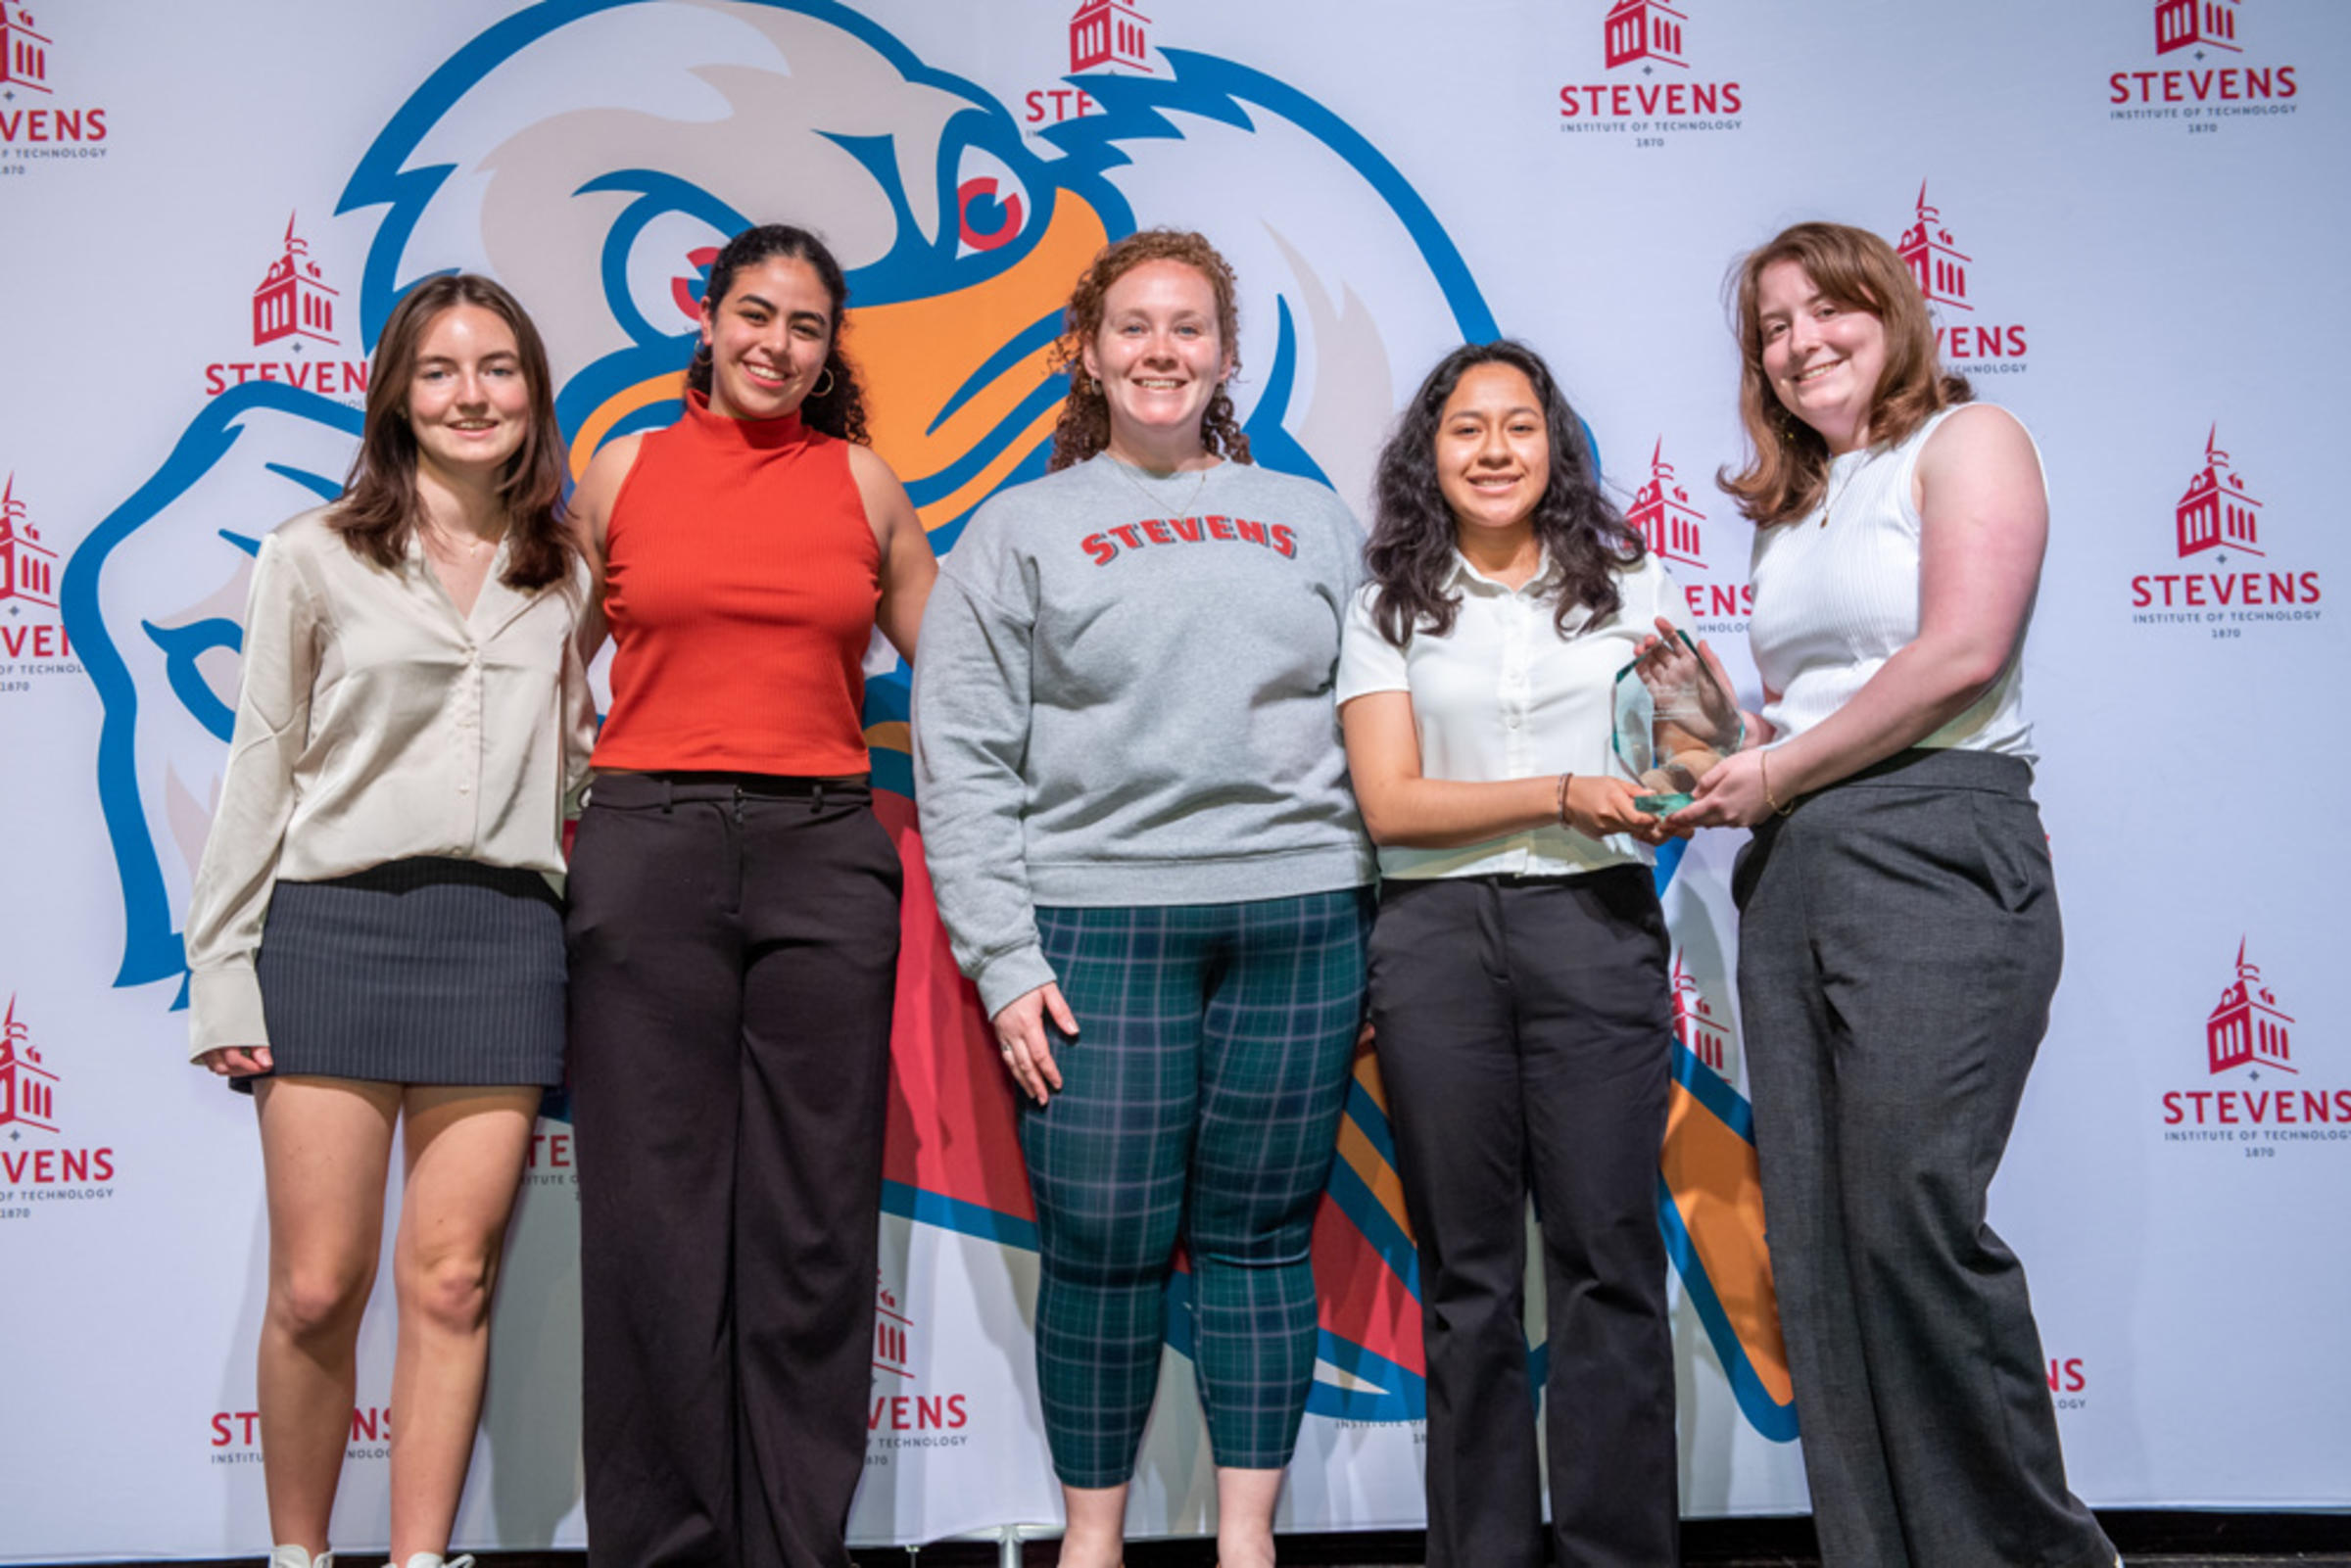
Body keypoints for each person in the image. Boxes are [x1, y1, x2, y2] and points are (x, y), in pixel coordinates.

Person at [912, 229, 1374, 1568]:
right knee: (1104, 1244)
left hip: (1299, 924)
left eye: (1187, 328)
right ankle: (1093, 1547)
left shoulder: (1311, 516)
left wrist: (1381, 941)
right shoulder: (1019, 529)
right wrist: (1001, 957)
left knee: (1258, 1241)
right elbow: (964, 753)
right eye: (1133, 327)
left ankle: (1246, 1546)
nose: (1160, 351)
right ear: (1087, 351)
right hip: (1092, 929)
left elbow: (1381, 729)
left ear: (1227, 354)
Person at [1671, 221, 2118, 1568]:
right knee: (1822, 1242)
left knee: (1914, 1210)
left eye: (1829, 307)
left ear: (1893, 311)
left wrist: (1781, 762)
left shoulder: (1968, 442)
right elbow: (1827, 704)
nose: (1801, 339)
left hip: (1936, 845)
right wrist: (1729, 729)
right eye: (1772, 325)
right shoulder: (1803, 502)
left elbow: (1963, 652)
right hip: (1803, 861)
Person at [184, 273, 595, 1568]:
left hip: (504, 941)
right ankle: (297, 1556)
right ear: (396, 397)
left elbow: (577, 761)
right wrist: (224, 974)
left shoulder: (568, 570)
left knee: (453, 1280)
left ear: (532, 393)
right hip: (332, 933)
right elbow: (260, 766)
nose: (472, 396)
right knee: (316, 1287)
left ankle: (421, 1560)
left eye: (498, 369)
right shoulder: (312, 556)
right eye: (440, 371)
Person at [562, 223, 935, 1568]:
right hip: (646, 841)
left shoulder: (863, 485)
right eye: (756, 315)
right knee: (650, 1220)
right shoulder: (625, 469)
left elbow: (956, 686)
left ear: (831, 351)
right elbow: (538, 670)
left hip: (825, 851)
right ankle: (664, 1546)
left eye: (809, 327)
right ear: (706, 319)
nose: (778, 344)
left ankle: (796, 1544)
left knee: (815, 1221)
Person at [1336, 341, 1682, 1568]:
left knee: (1608, 1261)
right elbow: (1391, 802)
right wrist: (1559, 790)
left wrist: (1699, 731)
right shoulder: (1388, 602)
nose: (1494, 449)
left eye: (1520, 426)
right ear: (1430, 451)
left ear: (1556, 447)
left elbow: (1681, 759)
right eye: (1467, 427)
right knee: (1469, 1278)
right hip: (1436, 941)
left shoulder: (1629, 586)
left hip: (1595, 927)